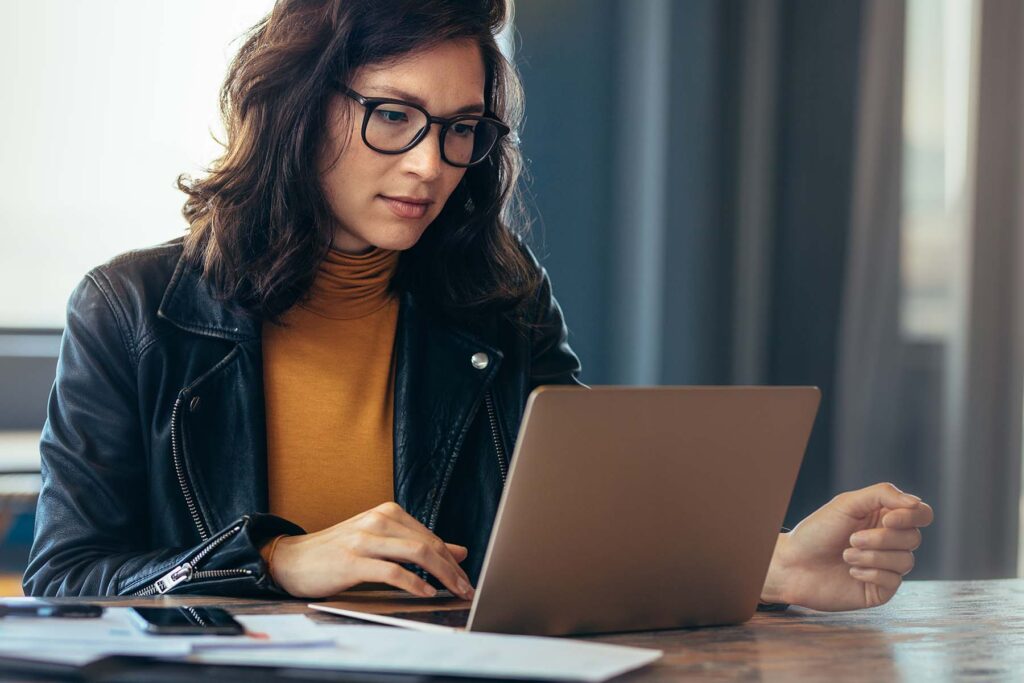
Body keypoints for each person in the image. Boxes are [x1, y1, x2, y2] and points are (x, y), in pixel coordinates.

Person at [23, 0, 932, 613]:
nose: (430, 164)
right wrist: (274, 562)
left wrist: (766, 563)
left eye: (461, 128)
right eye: (393, 116)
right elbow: (65, 580)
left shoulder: (499, 295)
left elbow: (582, 529)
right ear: (298, 106)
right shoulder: (133, 309)